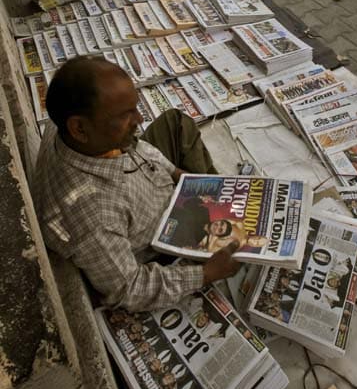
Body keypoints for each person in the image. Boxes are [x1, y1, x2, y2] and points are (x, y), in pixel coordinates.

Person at [33, 57, 241, 311]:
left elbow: (138, 148)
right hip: (160, 233)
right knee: (232, 244)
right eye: (125, 115)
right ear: (79, 128)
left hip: (149, 183)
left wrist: (178, 175)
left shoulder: (70, 132)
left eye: (135, 108)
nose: (140, 119)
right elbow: (129, 288)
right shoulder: (94, 216)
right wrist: (206, 273)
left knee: (175, 122)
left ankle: (217, 193)